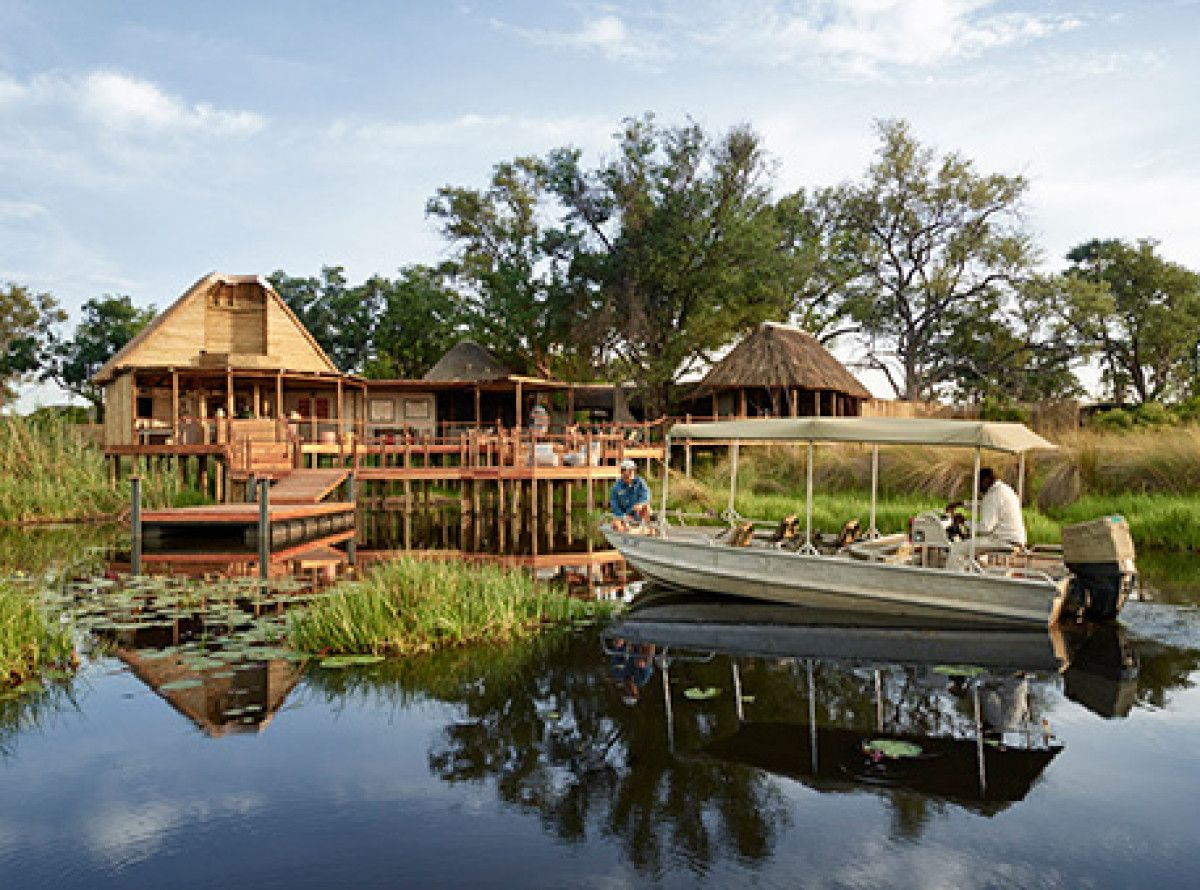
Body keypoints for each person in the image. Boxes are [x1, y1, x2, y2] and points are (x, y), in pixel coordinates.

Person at [947, 467, 1027, 571]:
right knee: (973, 545)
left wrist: (964, 522)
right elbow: (984, 506)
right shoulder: (1003, 490)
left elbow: (985, 528)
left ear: (986, 480)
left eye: (979, 483)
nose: (978, 487)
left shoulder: (993, 496)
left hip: (1003, 540)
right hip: (1014, 539)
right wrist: (961, 504)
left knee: (957, 549)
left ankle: (954, 580)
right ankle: (974, 572)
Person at [610, 458, 651, 531]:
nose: (628, 473)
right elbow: (614, 506)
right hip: (625, 515)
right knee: (615, 523)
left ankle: (647, 529)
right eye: (625, 470)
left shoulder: (640, 482)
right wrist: (623, 516)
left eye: (631, 470)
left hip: (638, 513)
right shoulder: (616, 487)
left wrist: (641, 504)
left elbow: (646, 494)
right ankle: (627, 534)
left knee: (646, 507)